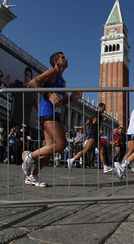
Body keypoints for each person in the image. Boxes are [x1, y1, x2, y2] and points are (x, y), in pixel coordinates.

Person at [22, 51, 82, 187]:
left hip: (54, 115)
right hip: (47, 113)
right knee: (61, 144)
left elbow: (59, 102)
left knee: (49, 150)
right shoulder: (52, 72)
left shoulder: (61, 79)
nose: (66, 59)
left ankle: (32, 176)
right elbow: (33, 82)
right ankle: (29, 156)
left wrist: (71, 98)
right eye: (62, 58)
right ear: (56, 61)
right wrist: (49, 94)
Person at [67, 103, 113, 173]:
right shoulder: (97, 113)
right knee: (86, 150)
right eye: (104, 108)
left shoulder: (94, 113)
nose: (104, 110)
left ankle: (105, 167)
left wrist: (91, 126)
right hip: (94, 134)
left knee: (102, 149)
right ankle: (72, 160)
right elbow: (94, 121)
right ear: (100, 107)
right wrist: (102, 121)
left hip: (95, 134)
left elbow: (87, 122)